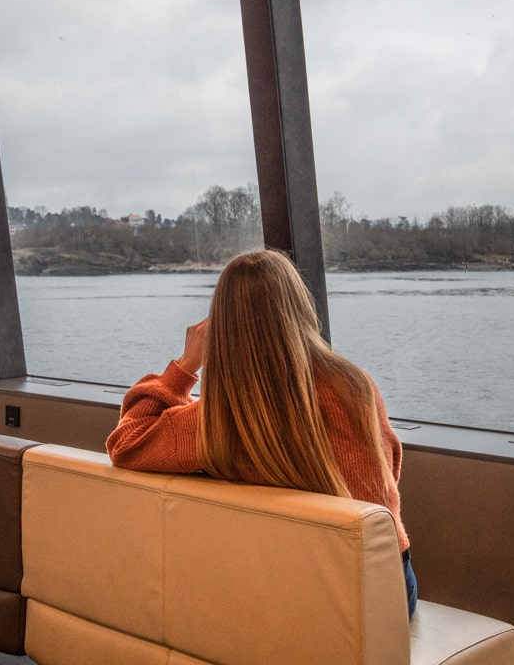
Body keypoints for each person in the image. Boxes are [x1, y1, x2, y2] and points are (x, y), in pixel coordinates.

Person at [106, 249, 417, 616]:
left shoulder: (222, 419)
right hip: (388, 588)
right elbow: (389, 467)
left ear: (222, 327)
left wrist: (185, 366)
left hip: (300, 592)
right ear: (300, 308)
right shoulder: (356, 386)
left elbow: (126, 443)